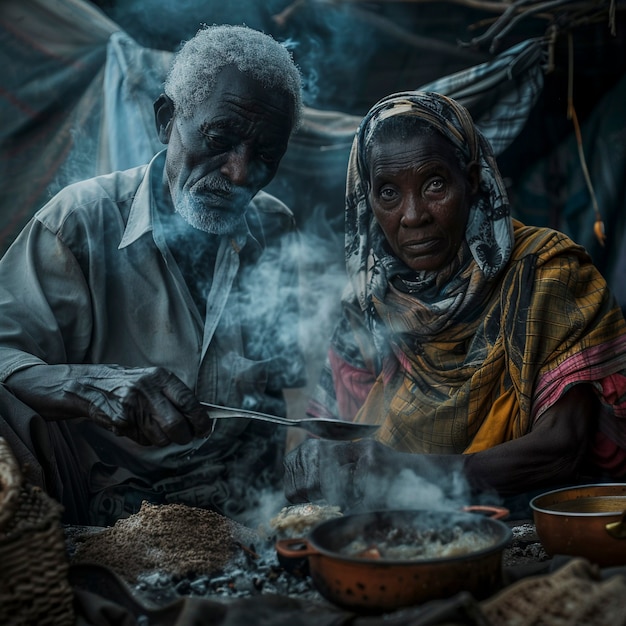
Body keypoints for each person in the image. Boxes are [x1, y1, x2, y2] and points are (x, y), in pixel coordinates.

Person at [0, 24, 307, 526]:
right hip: (112, 509)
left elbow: (282, 385)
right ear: (168, 120)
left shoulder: (274, 226)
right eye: (220, 138)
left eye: (265, 157)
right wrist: (91, 384)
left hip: (243, 504)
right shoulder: (79, 222)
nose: (237, 172)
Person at [283, 91, 626, 513]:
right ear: (366, 199)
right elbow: (334, 439)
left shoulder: (545, 272)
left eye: (434, 184)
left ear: (472, 180)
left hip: (535, 524)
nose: (413, 215)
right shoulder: (369, 302)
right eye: (388, 193)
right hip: (402, 534)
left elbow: (561, 446)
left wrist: (411, 473)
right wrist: (315, 463)